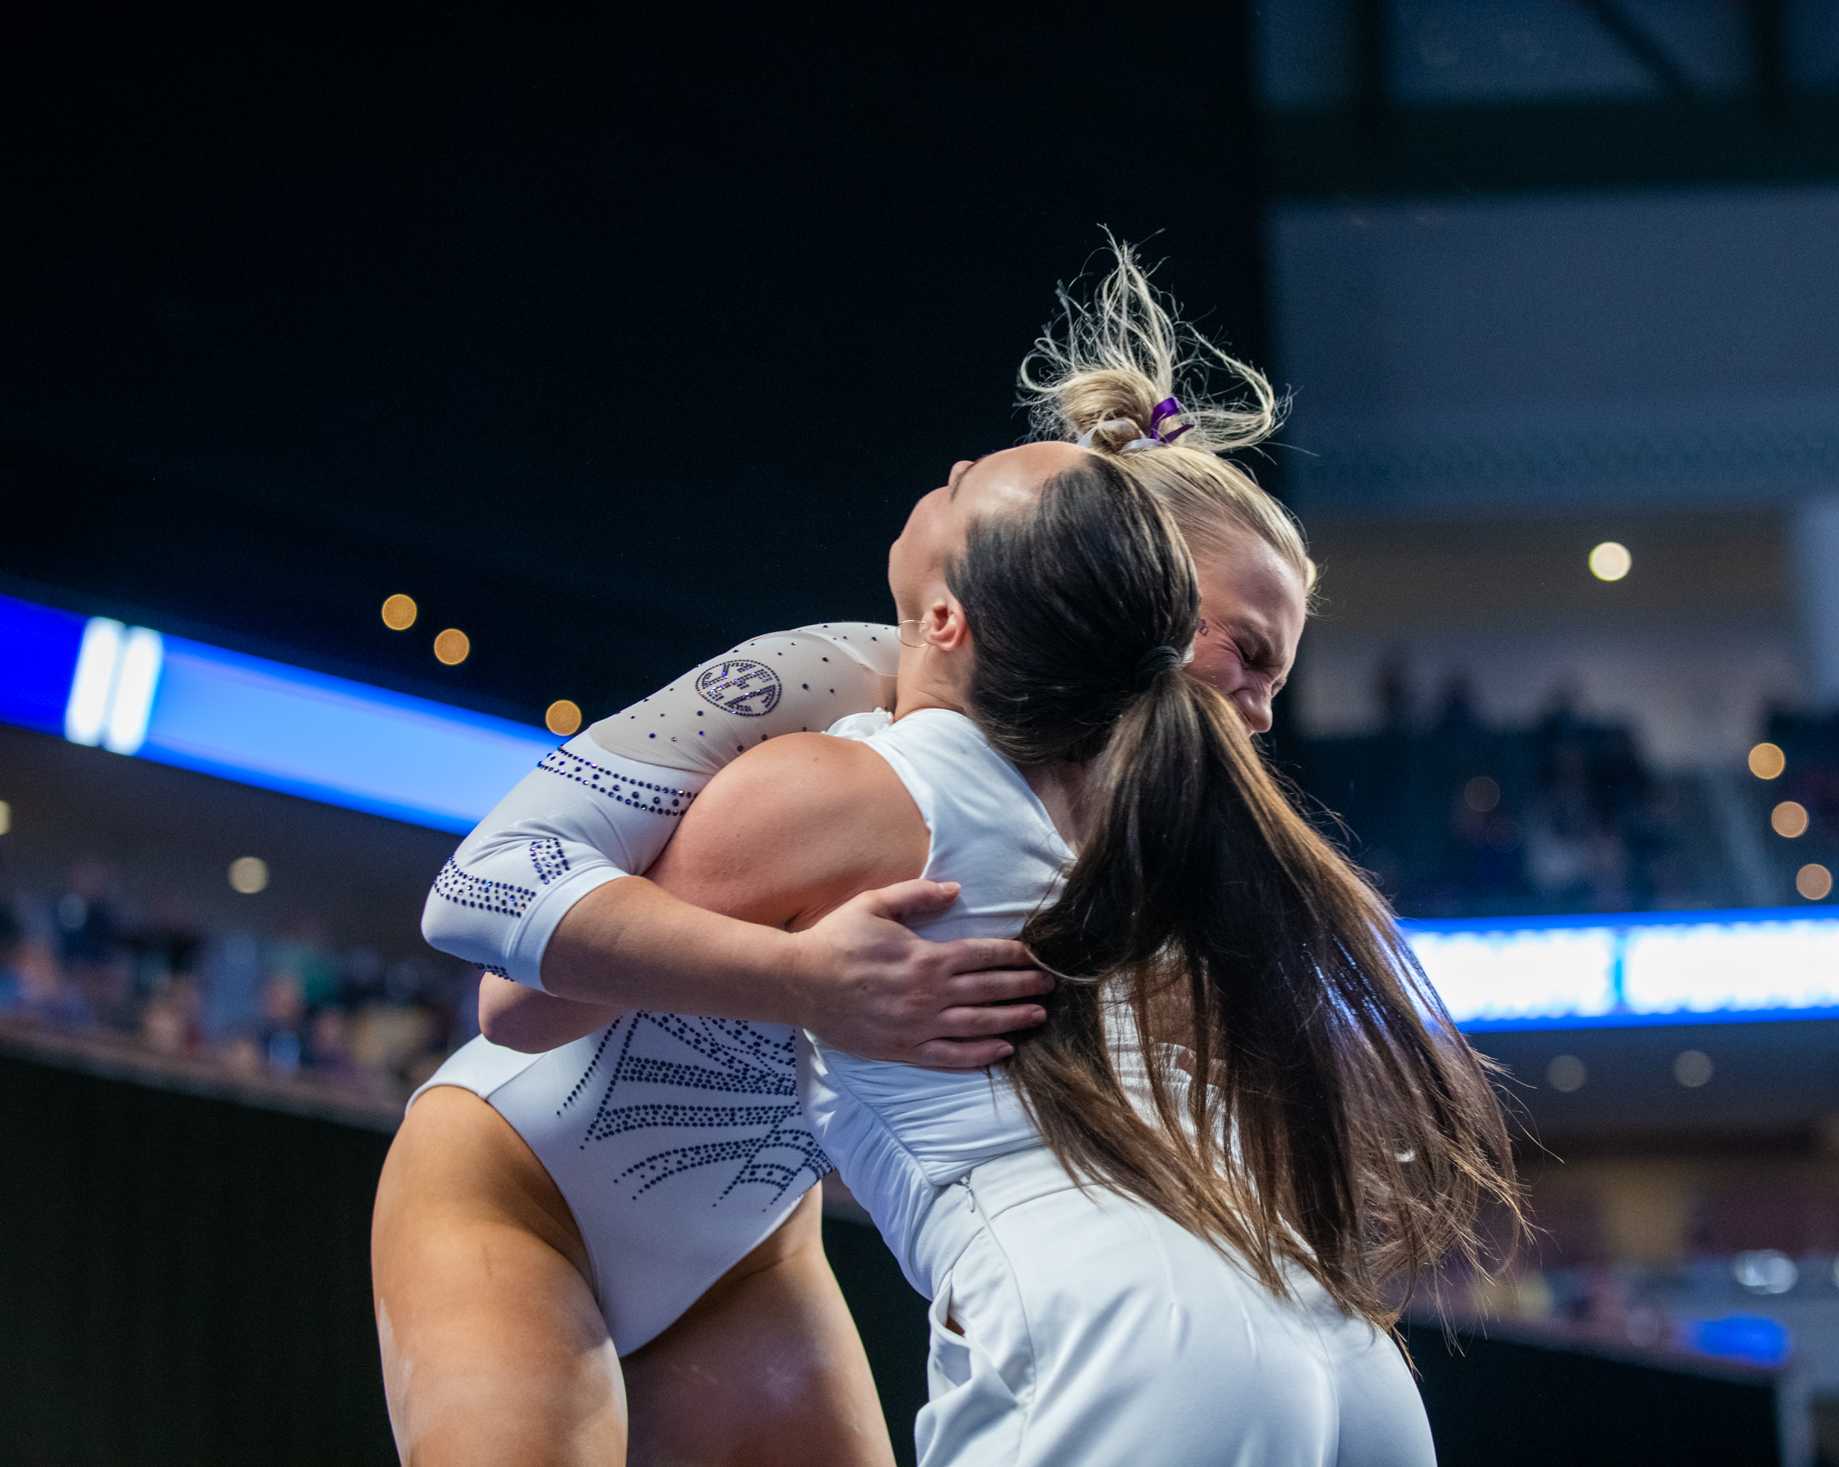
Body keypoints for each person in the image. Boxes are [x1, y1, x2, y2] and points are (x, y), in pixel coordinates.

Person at [376, 240, 1350, 1465]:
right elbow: (509, 983)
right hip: (519, 1177)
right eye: (1248, 652)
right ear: (1130, 578)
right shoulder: (843, 691)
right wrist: (802, 981)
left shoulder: (1152, 849)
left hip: (747, 1243)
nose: (1260, 709)